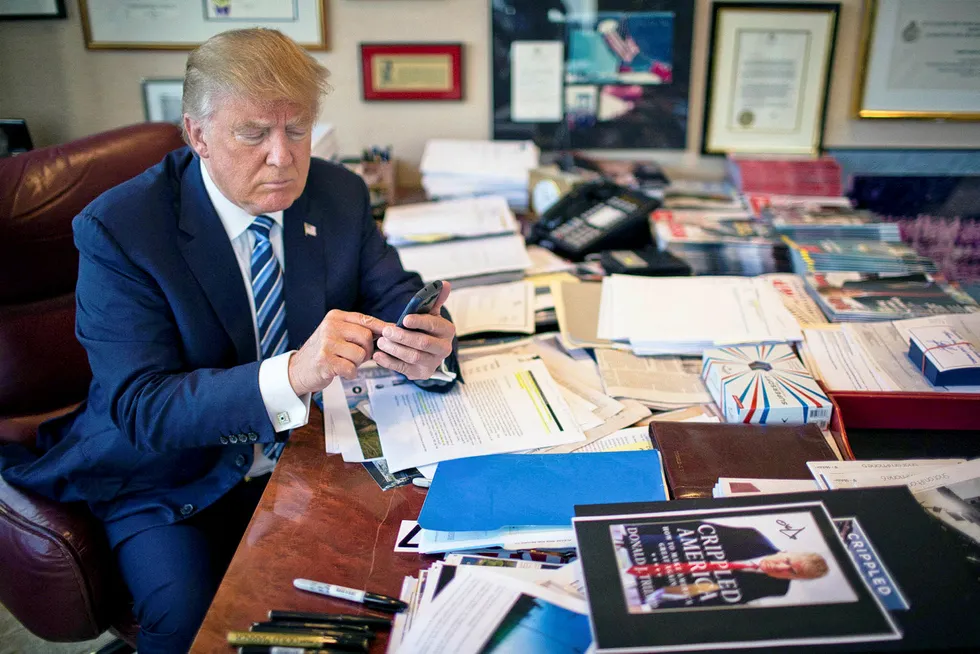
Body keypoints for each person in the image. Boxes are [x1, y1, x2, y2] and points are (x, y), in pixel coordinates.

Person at [0, 28, 457, 653]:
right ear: (197, 135)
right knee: (190, 623)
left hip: (311, 450)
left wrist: (429, 344)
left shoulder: (339, 193)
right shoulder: (120, 229)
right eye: (254, 134)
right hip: (167, 474)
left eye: (297, 131)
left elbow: (392, 298)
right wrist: (295, 372)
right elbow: (142, 407)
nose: (283, 156)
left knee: (406, 575)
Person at [620, 521, 830, 608]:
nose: (782, 568)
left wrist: (655, 602)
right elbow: (693, 525)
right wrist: (633, 532)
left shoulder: (776, 587)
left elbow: (711, 595)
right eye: (787, 562)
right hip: (635, 549)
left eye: (792, 573)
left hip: (645, 590)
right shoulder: (752, 537)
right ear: (786, 552)